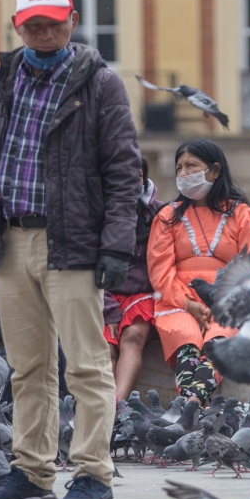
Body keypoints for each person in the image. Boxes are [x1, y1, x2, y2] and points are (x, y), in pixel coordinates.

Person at [0, 0, 141, 499]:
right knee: (27, 367)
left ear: (72, 22)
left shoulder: (101, 84)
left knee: (86, 364)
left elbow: (123, 171)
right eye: (33, 25)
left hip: (73, 243)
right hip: (10, 240)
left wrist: (117, 246)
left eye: (53, 23)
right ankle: (31, 472)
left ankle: (93, 475)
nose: (43, 32)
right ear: (18, 27)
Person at [148, 139, 250, 405]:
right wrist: (187, 303)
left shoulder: (244, 214)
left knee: (218, 343)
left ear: (214, 171)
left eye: (191, 166)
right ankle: (194, 402)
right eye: (179, 168)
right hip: (176, 299)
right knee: (186, 341)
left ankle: (191, 403)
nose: (183, 173)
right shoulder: (167, 216)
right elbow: (159, 271)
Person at [105, 157, 163, 402]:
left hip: (144, 297)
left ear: (145, 180)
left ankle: (117, 406)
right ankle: (101, 409)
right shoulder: (95, 214)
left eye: (137, 176)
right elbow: (86, 266)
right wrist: (107, 308)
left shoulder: (162, 213)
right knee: (105, 348)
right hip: (103, 295)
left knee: (132, 337)